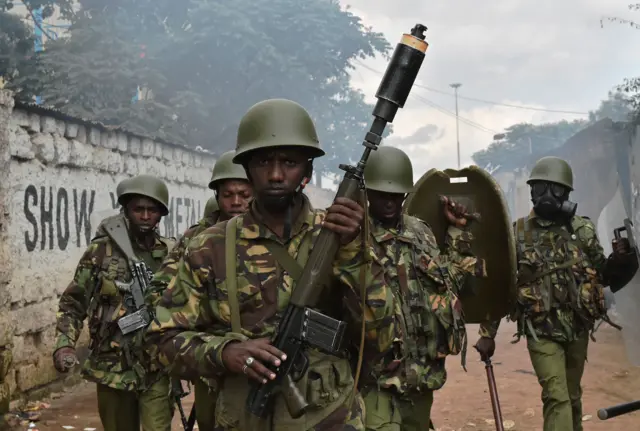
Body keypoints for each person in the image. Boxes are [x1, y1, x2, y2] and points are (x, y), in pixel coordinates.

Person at [144, 98, 395, 430]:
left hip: (329, 417)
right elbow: (160, 342)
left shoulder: (340, 237)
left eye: (289, 162)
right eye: (264, 162)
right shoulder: (209, 246)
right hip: (244, 417)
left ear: (308, 170)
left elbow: (382, 335)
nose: (276, 174)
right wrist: (226, 352)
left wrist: (352, 252)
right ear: (247, 169)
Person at [475, 156, 636, 431]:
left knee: (572, 396)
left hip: (577, 328)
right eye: (540, 188)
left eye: (555, 189)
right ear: (531, 192)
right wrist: (487, 334)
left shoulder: (581, 230)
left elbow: (602, 275)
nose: (546, 196)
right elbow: (503, 285)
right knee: (556, 396)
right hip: (542, 331)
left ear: (566, 193)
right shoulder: (518, 233)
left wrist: (620, 259)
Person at [359, 146, 486, 431]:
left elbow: (448, 281)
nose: (390, 203)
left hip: (421, 375)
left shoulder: (420, 232)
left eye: (396, 195)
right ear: (367, 193)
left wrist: (457, 231)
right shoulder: (355, 237)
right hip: (376, 378)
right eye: (382, 195)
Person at [53, 174, 175, 431]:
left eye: (151, 210)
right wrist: (64, 345)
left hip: (157, 366)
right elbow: (73, 304)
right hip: (112, 368)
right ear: (126, 210)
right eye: (137, 209)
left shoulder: (171, 253)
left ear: (161, 214)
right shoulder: (101, 252)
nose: (144, 216)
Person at [147, 149, 253, 430]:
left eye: (244, 194)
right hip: (210, 353)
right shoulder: (197, 238)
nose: (236, 202)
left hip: (258, 353)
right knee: (209, 419)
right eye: (229, 194)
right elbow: (162, 286)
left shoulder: (268, 233)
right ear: (217, 196)